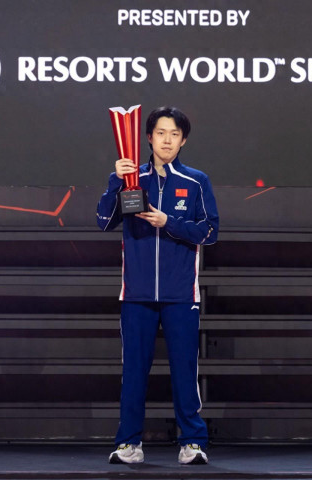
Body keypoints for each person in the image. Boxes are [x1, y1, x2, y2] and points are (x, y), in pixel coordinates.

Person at [97, 106, 219, 465]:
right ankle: (128, 443)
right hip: (136, 294)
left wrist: (170, 222)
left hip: (181, 294)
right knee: (134, 371)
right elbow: (103, 221)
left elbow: (210, 231)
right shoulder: (130, 178)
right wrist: (116, 182)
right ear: (148, 137)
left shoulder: (196, 181)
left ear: (184, 140)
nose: (167, 140)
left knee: (185, 370)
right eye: (161, 133)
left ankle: (192, 442)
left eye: (174, 134)